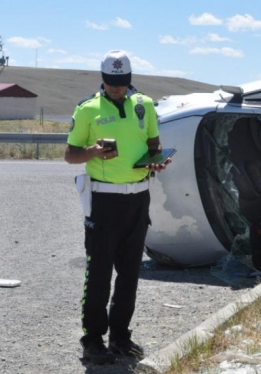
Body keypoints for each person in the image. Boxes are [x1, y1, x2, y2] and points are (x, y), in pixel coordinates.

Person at [65, 50, 170, 365]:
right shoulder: (87, 109)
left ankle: (120, 336)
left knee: (129, 273)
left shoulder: (145, 105)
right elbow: (70, 155)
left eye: (121, 82)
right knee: (99, 272)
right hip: (104, 200)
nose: (116, 88)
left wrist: (157, 161)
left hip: (139, 197)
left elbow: (154, 144)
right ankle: (93, 339)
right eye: (111, 82)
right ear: (103, 78)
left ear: (129, 79)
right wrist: (93, 152)